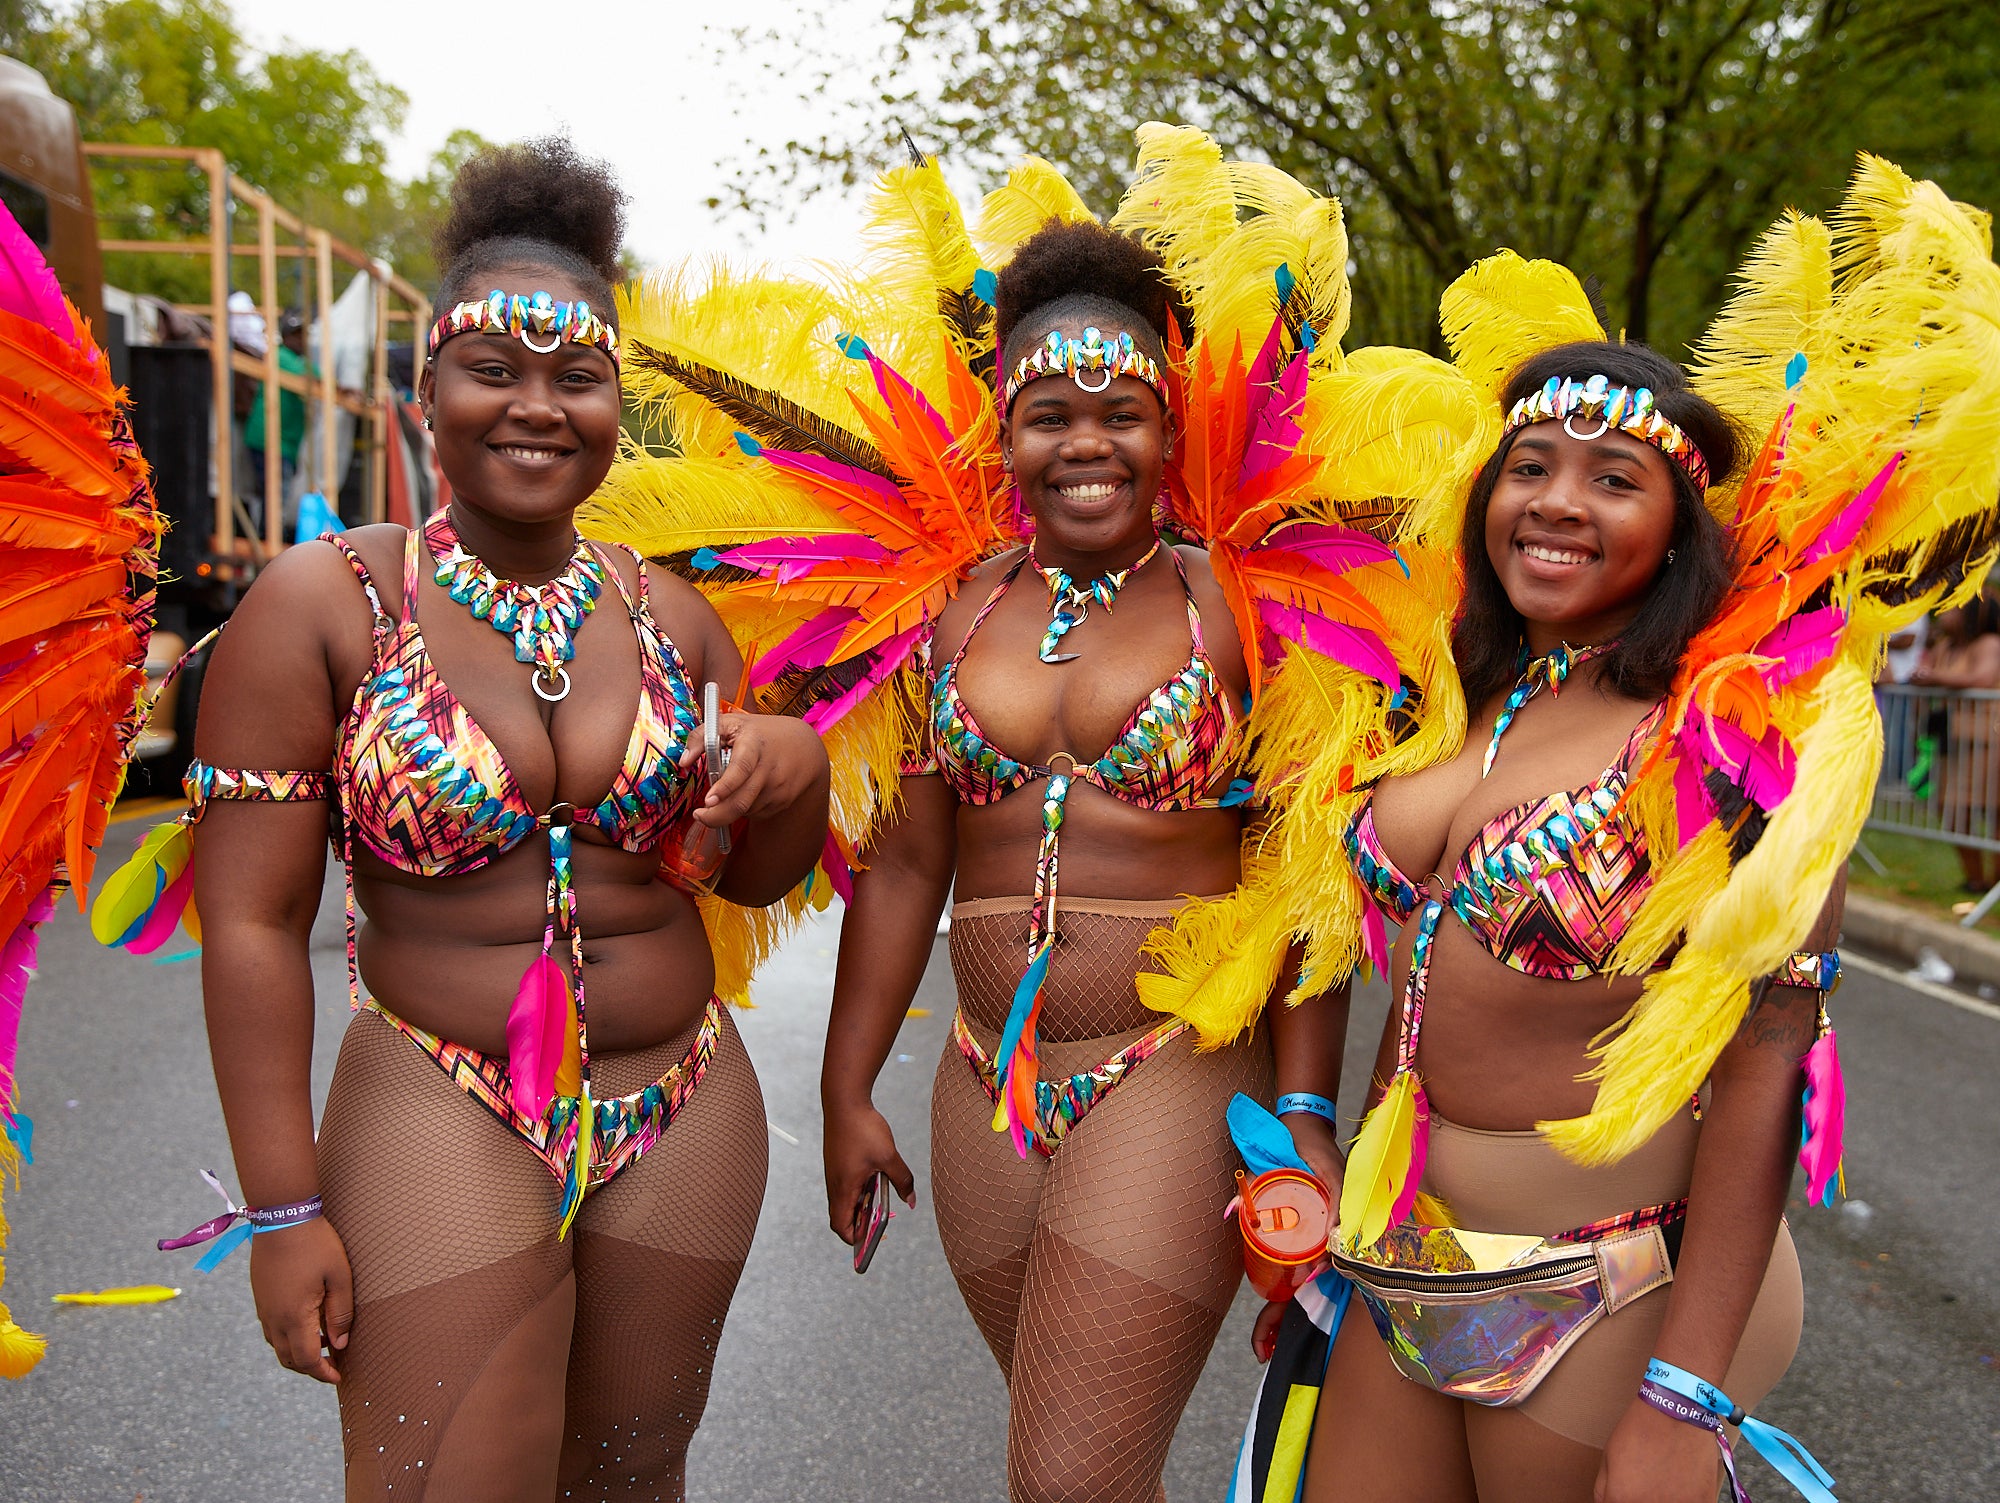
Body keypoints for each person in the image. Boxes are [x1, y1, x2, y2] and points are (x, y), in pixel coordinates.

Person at [587, 129, 1447, 1501]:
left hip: (1170, 1066)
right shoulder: (952, 610)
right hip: (982, 1079)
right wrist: (845, 1086)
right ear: (1004, 429)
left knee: (1066, 1477)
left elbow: (1296, 881)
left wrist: (1302, 1107)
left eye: (1122, 411)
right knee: (1081, 1461)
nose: (1085, 442)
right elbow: (905, 864)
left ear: (1171, 426)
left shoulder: (1240, 607)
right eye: (1050, 412)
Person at [1292, 155, 2000, 1503]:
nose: (1557, 501)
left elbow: (1769, 1059)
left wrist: (1687, 1390)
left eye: (1613, 479)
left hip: (1615, 1277)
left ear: (1678, 532)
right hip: (1404, 1254)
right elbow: (1420, 973)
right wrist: (1325, 1170)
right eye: (1530, 468)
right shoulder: (1454, 699)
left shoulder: (1734, 740)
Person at [157, 138, 830, 1500]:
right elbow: (253, 924)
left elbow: (752, 877)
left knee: (633, 1475)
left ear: (615, 402)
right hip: (437, 1090)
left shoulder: (674, 613)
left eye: (577, 376)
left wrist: (795, 767)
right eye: (492, 369)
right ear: (425, 393)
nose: (537, 406)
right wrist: (283, 1208)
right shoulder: (328, 601)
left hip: (683, 1099)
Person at [1910, 594, 2000, 891]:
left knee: (1994, 811)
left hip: (1989, 742)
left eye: (1953, 607)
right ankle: (1976, 879)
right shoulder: (1945, 645)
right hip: (1954, 741)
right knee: (1952, 810)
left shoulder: (1989, 644)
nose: (1944, 611)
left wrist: (1934, 676)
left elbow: (1983, 679)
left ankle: (1993, 881)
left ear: (1972, 613)